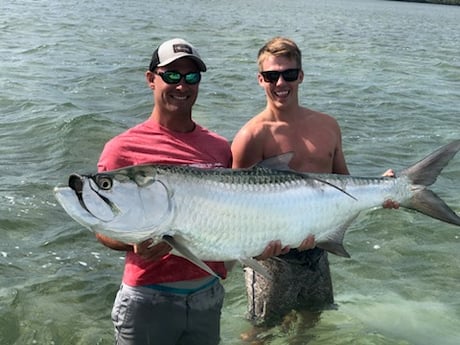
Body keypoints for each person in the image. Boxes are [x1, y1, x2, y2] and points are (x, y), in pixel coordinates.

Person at [231, 37, 398, 334]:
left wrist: (380, 189)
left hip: (318, 250)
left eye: (289, 74)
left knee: (311, 321)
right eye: (271, 76)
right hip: (271, 260)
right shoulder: (251, 136)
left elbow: (344, 183)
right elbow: (234, 210)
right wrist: (259, 252)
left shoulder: (328, 126)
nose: (281, 82)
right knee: (260, 331)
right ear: (260, 80)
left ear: (301, 76)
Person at [95, 38, 232, 345]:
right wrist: (134, 245)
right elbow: (103, 229)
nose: (181, 86)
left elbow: (235, 216)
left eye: (191, 77)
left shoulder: (221, 148)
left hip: (207, 296)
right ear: (150, 79)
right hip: (148, 299)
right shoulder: (122, 149)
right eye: (171, 76)